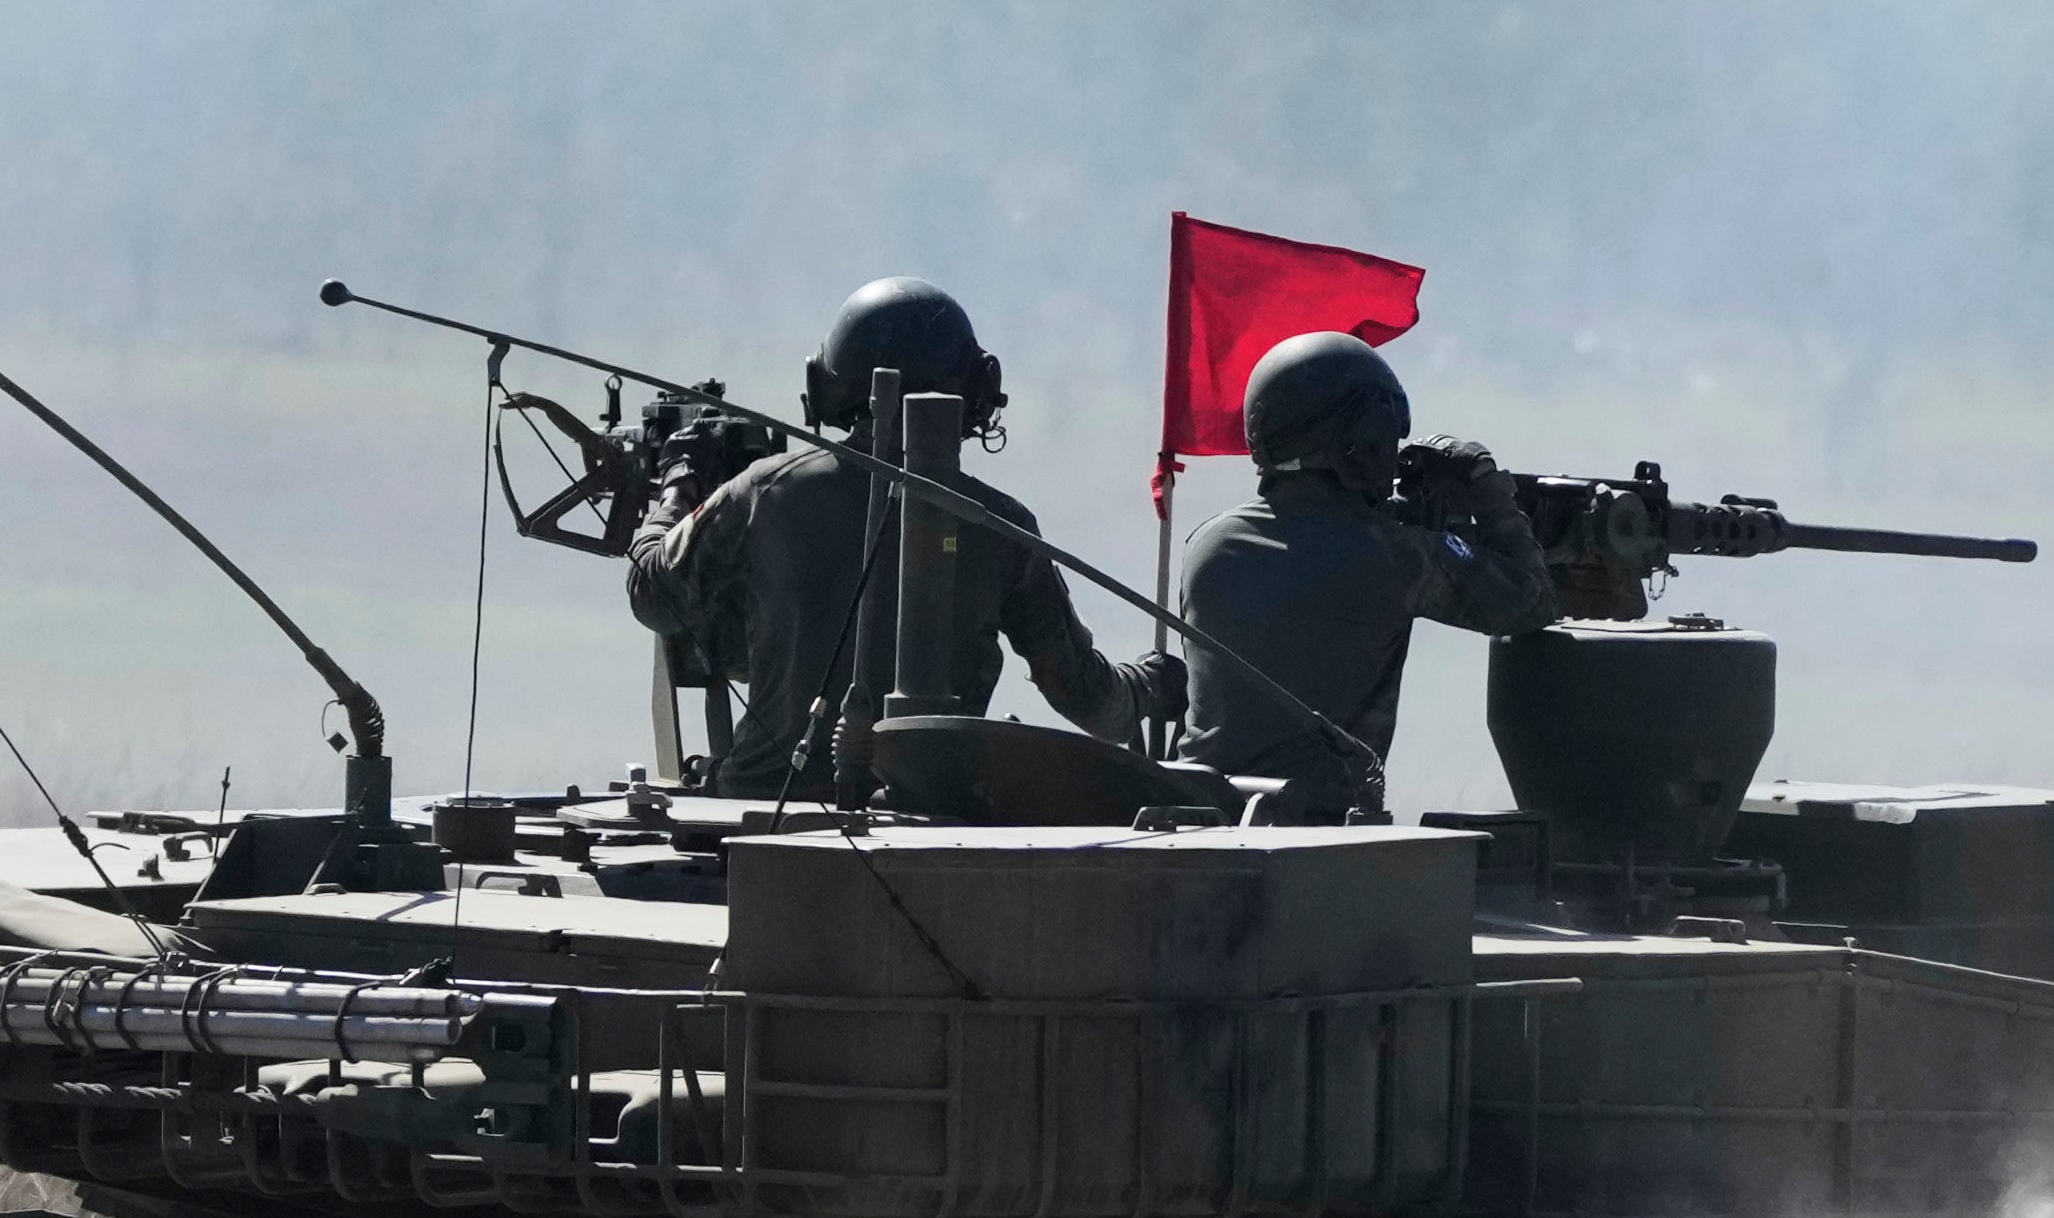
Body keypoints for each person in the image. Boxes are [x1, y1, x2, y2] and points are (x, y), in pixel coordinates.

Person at [631, 277, 1159, 788]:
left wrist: (678, 483)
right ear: (977, 388)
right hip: (934, 815)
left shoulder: (765, 493)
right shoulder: (1001, 527)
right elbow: (1092, 702)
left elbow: (653, 593)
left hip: (764, 800)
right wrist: (1152, 686)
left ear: (826, 384)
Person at [1176, 330, 1555, 818]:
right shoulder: (1394, 555)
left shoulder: (1208, 543)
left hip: (1199, 815)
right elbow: (1533, 600)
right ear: (1361, 441)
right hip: (1320, 839)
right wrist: (1487, 488)